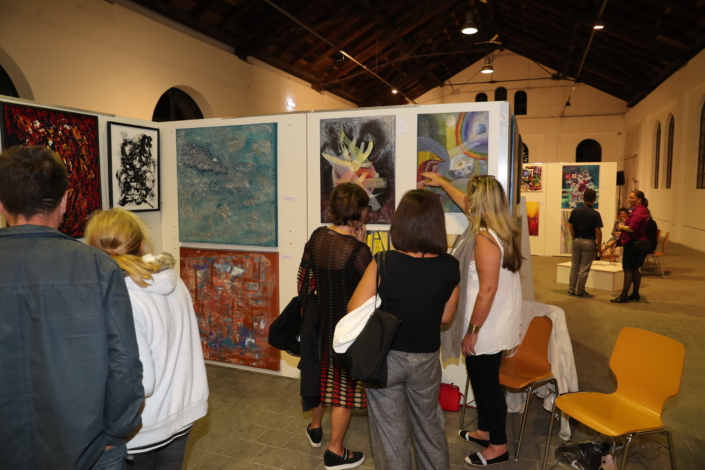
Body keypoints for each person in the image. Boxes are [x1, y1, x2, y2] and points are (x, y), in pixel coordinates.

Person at [0, 146, 144, 470]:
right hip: (88, 447)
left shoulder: (98, 266)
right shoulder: (98, 266)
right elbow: (123, 362)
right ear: (65, 201)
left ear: (1, 204)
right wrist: (117, 431)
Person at [85, 208, 209, 470]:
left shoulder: (122, 298)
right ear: (141, 244)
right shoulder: (173, 281)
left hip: (143, 425)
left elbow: (141, 381)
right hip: (182, 410)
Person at [348, 190, 461, 470]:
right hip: (426, 358)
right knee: (429, 425)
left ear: (402, 222)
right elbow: (446, 316)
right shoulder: (450, 265)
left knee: (391, 433)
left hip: (385, 358)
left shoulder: (384, 261)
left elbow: (354, 309)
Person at [422, 173, 523, 467]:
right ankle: (485, 431)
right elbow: (463, 201)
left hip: (487, 325)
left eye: (470, 196)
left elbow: (487, 290)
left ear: (479, 201)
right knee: (479, 378)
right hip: (495, 320)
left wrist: (473, 331)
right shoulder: (497, 227)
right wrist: (442, 182)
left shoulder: (484, 237)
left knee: (487, 384)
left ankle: (498, 446)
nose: (466, 201)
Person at [297, 182, 372, 470]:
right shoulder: (358, 251)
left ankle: (316, 429)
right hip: (346, 329)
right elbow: (370, 294)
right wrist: (362, 242)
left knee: (318, 376)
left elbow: (304, 281)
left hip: (319, 323)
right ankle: (335, 451)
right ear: (358, 211)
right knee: (343, 389)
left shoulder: (317, 236)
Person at [612, 190, 650, 303]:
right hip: (637, 242)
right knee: (635, 269)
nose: (629, 199)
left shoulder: (639, 211)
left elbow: (632, 229)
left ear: (639, 200)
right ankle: (635, 294)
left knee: (628, 269)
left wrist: (621, 227)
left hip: (633, 243)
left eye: (632, 197)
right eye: (629, 197)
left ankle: (624, 295)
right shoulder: (640, 210)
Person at [567, 189, 603, 298]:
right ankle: (580, 291)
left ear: (583, 198)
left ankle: (571, 289)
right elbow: (598, 231)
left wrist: (574, 239)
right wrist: (599, 246)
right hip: (589, 241)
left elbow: (571, 227)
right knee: (584, 268)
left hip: (577, 240)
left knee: (575, 266)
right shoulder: (595, 214)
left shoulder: (575, 211)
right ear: (594, 199)